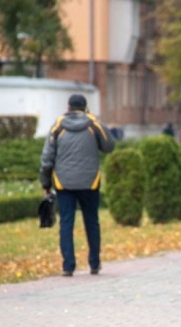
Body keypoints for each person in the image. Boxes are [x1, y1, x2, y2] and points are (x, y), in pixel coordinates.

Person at [39, 93, 115, 277]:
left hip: (64, 183)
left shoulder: (58, 125)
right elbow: (109, 146)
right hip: (90, 182)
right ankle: (94, 264)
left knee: (66, 223)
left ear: (68, 107)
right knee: (92, 222)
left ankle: (68, 266)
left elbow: (47, 158)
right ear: (84, 107)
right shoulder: (92, 124)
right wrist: (95, 120)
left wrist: (46, 183)